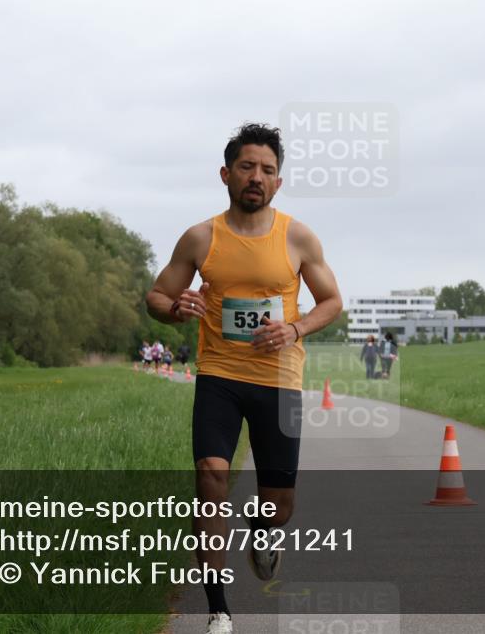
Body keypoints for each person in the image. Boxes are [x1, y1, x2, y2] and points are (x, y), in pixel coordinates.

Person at [146, 123, 343, 634]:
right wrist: (176, 307)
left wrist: (294, 328)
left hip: (279, 379)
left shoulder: (297, 237)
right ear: (226, 174)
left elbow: (332, 303)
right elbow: (157, 297)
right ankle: (218, 610)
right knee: (211, 476)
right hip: (219, 375)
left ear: (278, 182)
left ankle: (262, 532)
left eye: (268, 170)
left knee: (279, 505)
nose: (257, 177)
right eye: (247, 167)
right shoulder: (200, 238)